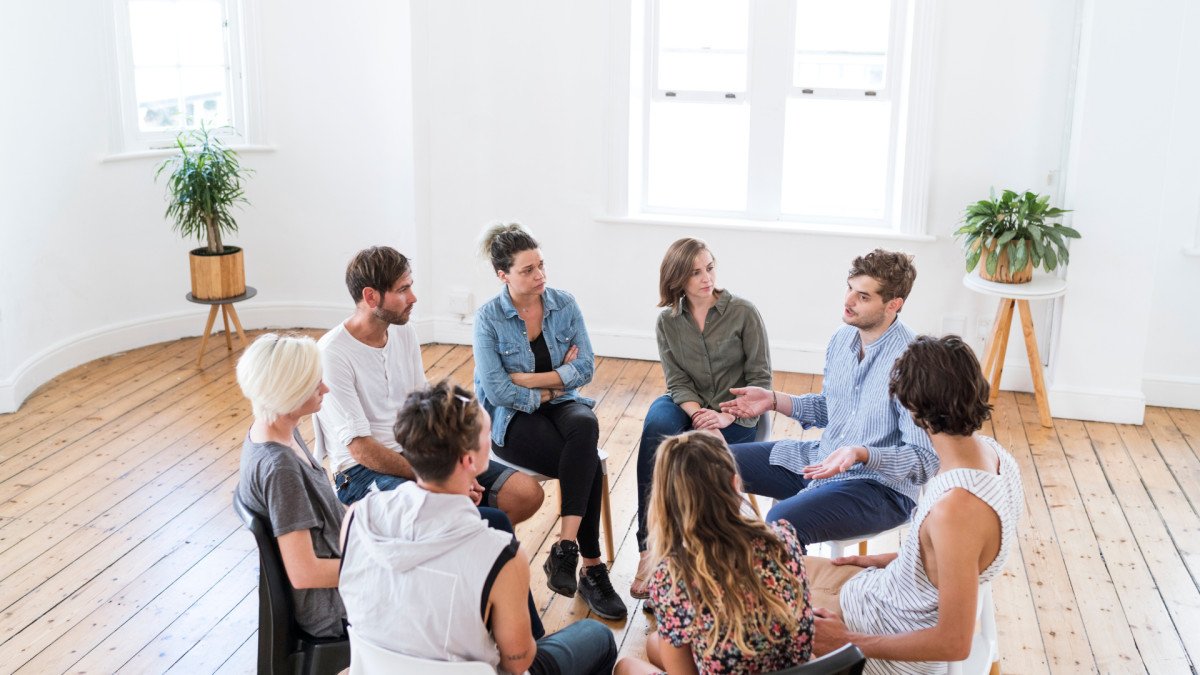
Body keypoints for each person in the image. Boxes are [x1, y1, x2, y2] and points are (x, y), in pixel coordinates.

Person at [338, 381, 618, 675]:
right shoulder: (499, 554)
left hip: (375, 668)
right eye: (486, 435)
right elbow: (518, 662)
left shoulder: (358, 517)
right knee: (597, 636)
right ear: (469, 460)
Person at [805, 335, 1024, 674]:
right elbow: (961, 559)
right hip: (880, 593)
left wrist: (847, 641)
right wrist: (900, 558)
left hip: (878, 639)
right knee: (768, 568)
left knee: (741, 612)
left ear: (913, 410)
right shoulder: (996, 457)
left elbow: (954, 642)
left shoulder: (957, 509)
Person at [314, 245, 542, 529]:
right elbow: (361, 449)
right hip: (361, 472)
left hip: (416, 453)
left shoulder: (403, 331)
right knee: (447, 518)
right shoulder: (332, 353)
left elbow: (422, 407)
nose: (413, 297)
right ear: (371, 297)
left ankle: (466, 556)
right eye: (402, 290)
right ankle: (456, 552)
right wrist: (442, 479)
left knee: (525, 494)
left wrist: (453, 466)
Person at [721, 249, 937, 548]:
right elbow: (831, 408)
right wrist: (772, 399)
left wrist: (863, 454)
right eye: (850, 288)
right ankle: (713, 569)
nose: (848, 301)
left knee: (781, 521)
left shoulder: (914, 361)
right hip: (821, 460)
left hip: (879, 488)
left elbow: (924, 460)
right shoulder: (841, 339)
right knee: (706, 462)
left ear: (893, 305)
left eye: (863, 296)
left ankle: (769, 587)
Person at [473, 222, 627, 621]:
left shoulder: (563, 303)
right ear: (502, 275)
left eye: (541, 265)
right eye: (528, 270)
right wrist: (553, 385)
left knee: (585, 426)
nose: (540, 275)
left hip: (561, 405)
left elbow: (587, 367)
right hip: (512, 419)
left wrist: (533, 382)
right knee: (585, 461)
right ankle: (591, 567)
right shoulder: (488, 318)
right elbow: (498, 391)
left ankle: (564, 548)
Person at [631, 237, 772, 599]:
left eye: (709, 268)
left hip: (738, 414)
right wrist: (698, 415)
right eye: (694, 272)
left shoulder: (744, 313)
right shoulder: (668, 322)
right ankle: (649, 550)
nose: (705, 278)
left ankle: (696, 563)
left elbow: (760, 380)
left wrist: (725, 417)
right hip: (687, 404)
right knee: (657, 430)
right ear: (677, 278)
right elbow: (676, 381)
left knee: (699, 462)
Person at [615, 432, 814, 675]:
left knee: (626, 666)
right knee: (655, 642)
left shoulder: (673, 577)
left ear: (665, 501)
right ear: (734, 484)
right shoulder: (783, 537)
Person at [234, 333, 345, 638]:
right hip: (335, 609)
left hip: (347, 561)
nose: (326, 388)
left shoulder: (280, 430)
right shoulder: (280, 469)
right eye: (314, 384)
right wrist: (378, 569)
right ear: (289, 393)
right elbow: (305, 572)